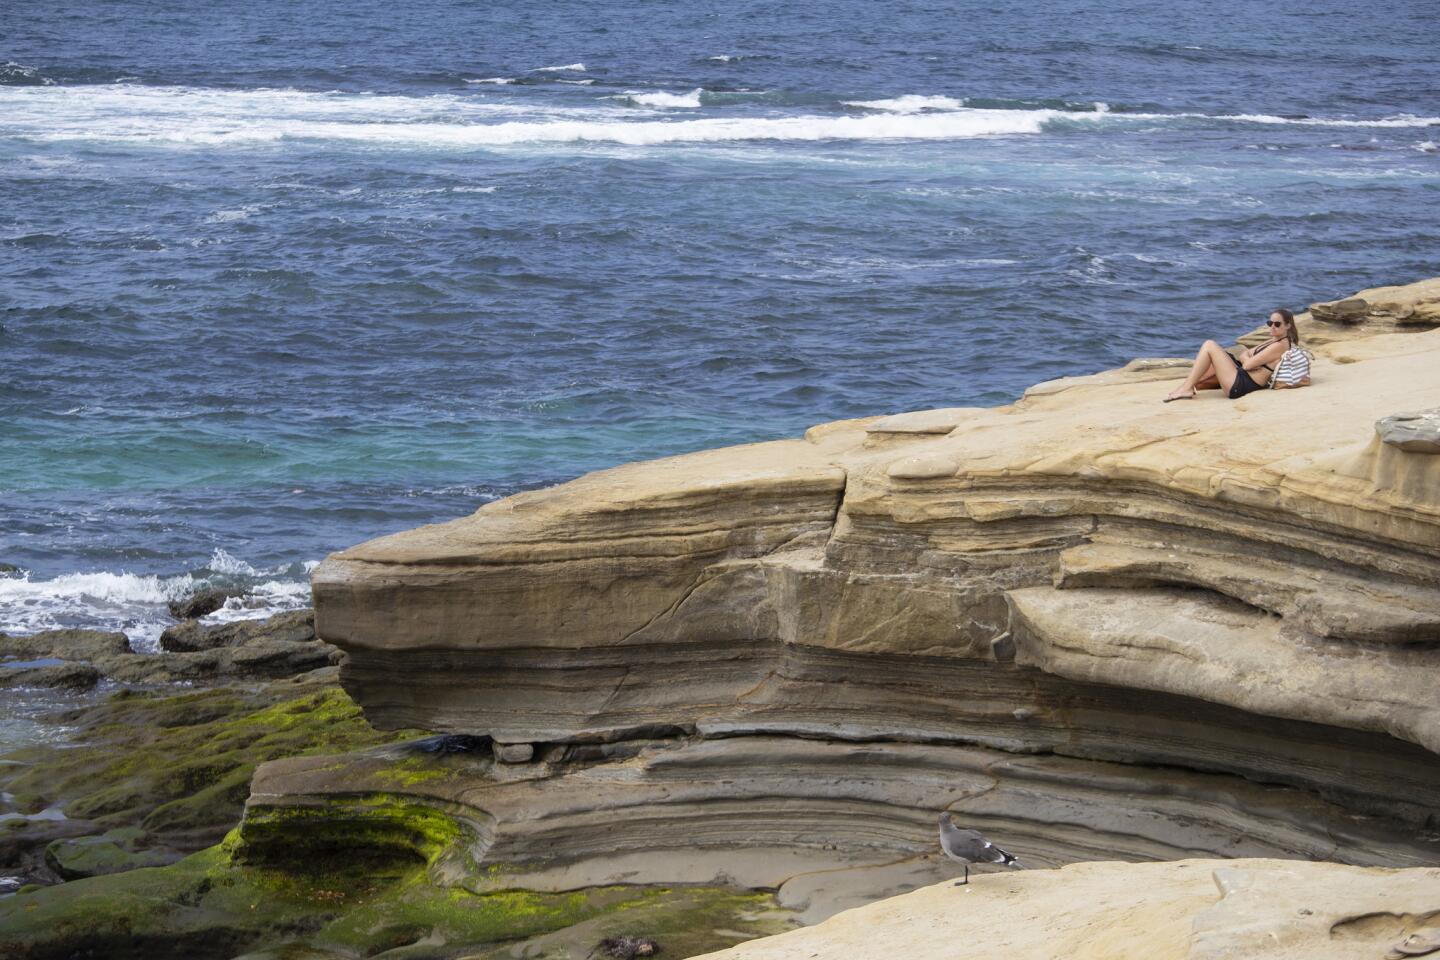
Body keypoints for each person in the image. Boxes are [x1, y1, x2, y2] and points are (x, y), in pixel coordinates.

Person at [1163, 308, 1299, 402]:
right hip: (1242, 378)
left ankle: (1186, 388)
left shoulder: (1280, 345)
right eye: (1270, 323)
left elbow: (1246, 364)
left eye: (1277, 324)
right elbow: (1245, 353)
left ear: (1288, 326)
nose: (1272, 327)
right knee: (1222, 354)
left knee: (1209, 345)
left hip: (1240, 386)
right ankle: (1189, 386)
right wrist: (1249, 359)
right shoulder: (1275, 340)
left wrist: (1249, 360)